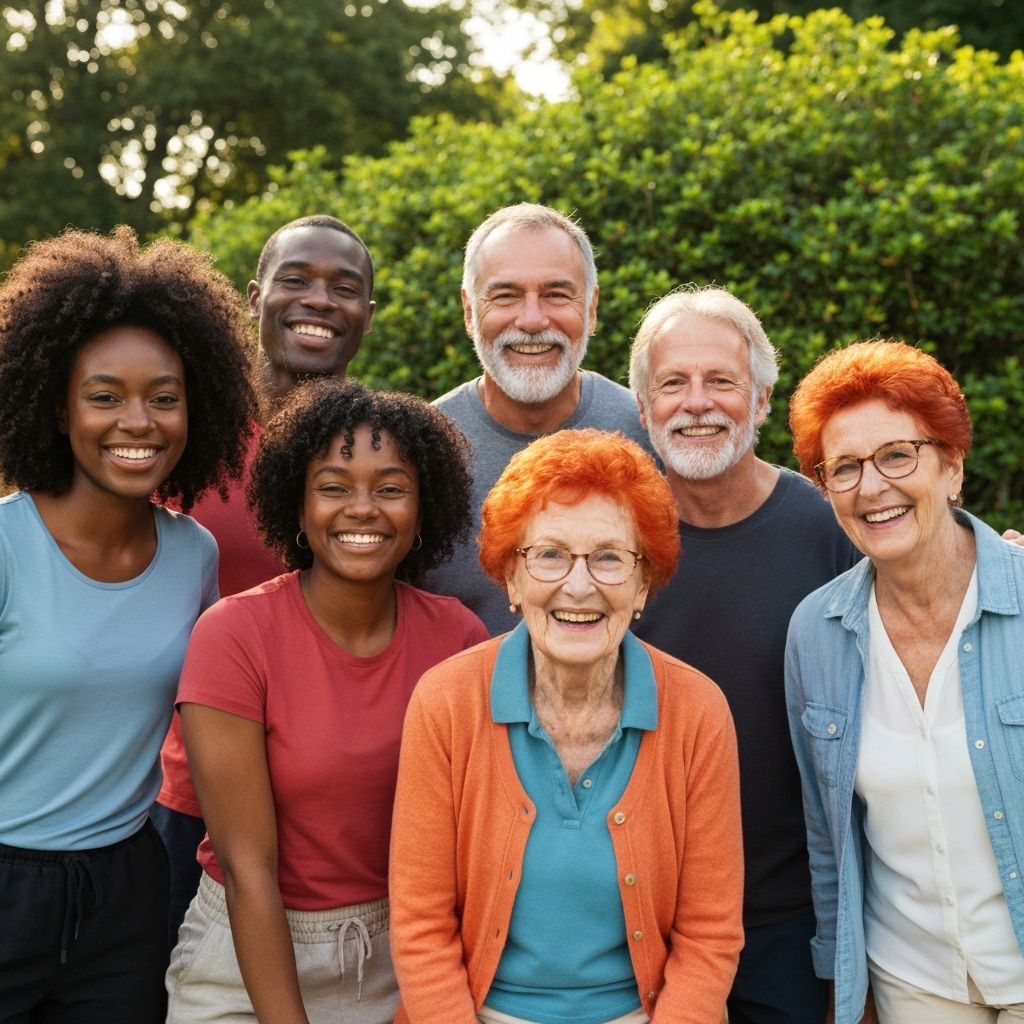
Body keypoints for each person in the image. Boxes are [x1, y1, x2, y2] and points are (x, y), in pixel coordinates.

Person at [390, 428, 744, 1024]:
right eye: (549, 555)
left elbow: (710, 935)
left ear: (643, 584)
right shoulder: (445, 702)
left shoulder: (698, 711)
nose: (578, 586)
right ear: (510, 578)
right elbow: (420, 925)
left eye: (608, 557)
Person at [165, 378, 489, 1024]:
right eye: (334, 486)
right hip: (245, 951)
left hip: (403, 951)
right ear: (298, 503)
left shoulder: (458, 638)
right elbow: (248, 866)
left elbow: (471, 846)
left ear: (424, 509)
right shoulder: (234, 635)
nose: (362, 509)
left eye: (391, 488)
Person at [0, 226, 257, 1022]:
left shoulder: (194, 556)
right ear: (57, 405)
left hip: (126, 891)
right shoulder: (6, 546)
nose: (138, 422)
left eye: (165, 397)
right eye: (104, 395)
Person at [627, 286, 857, 1023]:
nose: (698, 403)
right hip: (637, 920)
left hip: (788, 924)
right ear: (643, 408)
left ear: (760, 402)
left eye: (721, 381)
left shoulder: (833, 531)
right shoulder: (611, 544)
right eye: (673, 384)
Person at [154, 214, 377, 947]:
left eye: (343, 288)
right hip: (190, 796)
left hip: (341, 803)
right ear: (254, 297)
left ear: (366, 316)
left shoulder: (378, 456)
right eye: (295, 280)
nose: (319, 300)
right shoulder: (183, 438)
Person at [785, 340, 1024, 1024]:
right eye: (844, 468)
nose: (872, 486)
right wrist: (843, 987)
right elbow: (828, 837)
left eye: (897, 455)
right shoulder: (817, 632)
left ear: (951, 466)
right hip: (911, 988)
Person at [424, 203, 652, 635]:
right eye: (506, 295)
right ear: (470, 311)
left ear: (591, 308)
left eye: (556, 295)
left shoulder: (648, 433)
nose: (531, 320)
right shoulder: (422, 451)